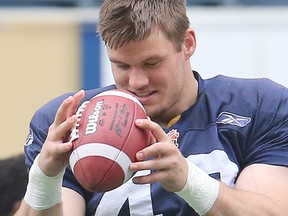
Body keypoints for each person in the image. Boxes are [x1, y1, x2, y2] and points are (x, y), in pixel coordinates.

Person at [15, 0, 288, 215]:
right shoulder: (71, 120)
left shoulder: (257, 105)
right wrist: (45, 177)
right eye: (121, 65)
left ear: (187, 43)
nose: (136, 82)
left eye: (152, 63)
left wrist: (189, 182)